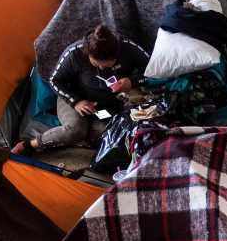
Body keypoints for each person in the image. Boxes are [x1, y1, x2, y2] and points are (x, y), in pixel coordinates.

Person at [14, 25, 148, 155]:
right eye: (96, 64)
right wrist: (76, 102)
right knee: (75, 130)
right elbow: (54, 81)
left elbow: (152, 72)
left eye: (107, 65)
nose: (101, 68)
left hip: (108, 103)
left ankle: (81, 136)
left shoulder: (128, 48)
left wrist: (133, 81)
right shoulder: (74, 53)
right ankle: (29, 145)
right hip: (73, 96)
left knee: (115, 134)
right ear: (88, 53)